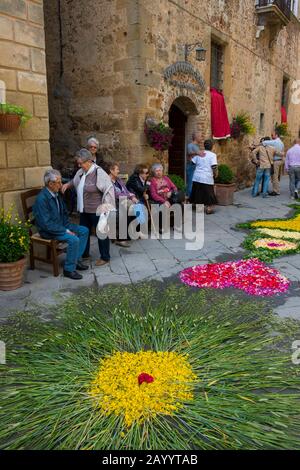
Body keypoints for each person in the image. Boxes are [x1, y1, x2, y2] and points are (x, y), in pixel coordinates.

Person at [62, 149, 115, 266]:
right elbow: (75, 181)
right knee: (84, 232)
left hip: (97, 210)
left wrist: (106, 208)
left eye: (81, 163)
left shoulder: (99, 173)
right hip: (84, 210)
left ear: (89, 161)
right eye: (78, 163)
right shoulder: (81, 172)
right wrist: (68, 184)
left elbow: (109, 190)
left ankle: (105, 257)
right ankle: (85, 254)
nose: (79, 165)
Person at [33, 169, 89, 280]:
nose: (61, 185)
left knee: (84, 230)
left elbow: (63, 211)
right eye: (58, 182)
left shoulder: (55, 193)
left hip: (61, 225)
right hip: (49, 231)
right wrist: (65, 230)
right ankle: (69, 269)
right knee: (74, 239)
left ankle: (74, 260)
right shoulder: (42, 199)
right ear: (50, 184)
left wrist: (67, 225)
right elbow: (46, 224)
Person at [109, 162, 139, 247]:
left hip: (123, 202)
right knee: (125, 212)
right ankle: (121, 239)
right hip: (113, 204)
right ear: (111, 170)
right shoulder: (107, 181)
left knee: (138, 208)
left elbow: (126, 191)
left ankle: (130, 233)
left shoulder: (118, 180)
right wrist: (129, 196)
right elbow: (115, 195)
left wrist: (132, 196)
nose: (118, 171)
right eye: (117, 169)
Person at [190, 139, 218, 215]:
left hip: (197, 176)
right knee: (209, 193)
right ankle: (209, 208)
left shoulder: (200, 153)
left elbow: (192, 162)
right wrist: (215, 174)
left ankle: (199, 208)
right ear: (212, 146)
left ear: (204, 146)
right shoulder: (213, 155)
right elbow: (214, 166)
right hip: (207, 177)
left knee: (198, 192)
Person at [186, 132, 204, 199]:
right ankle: (188, 199)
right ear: (196, 138)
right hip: (191, 166)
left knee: (195, 184)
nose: (201, 138)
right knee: (190, 184)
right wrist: (198, 153)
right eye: (200, 137)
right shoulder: (190, 145)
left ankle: (194, 199)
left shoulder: (197, 146)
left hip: (196, 167)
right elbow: (189, 153)